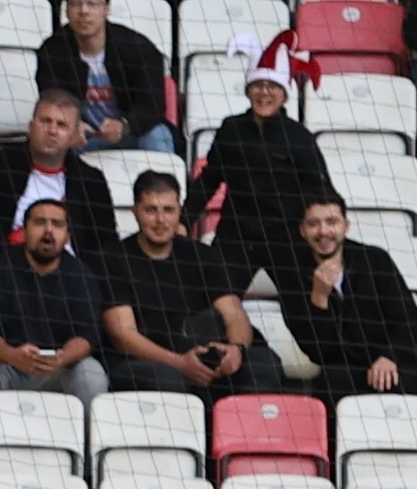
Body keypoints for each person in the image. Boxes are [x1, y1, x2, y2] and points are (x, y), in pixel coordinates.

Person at [100, 171, 284, 398]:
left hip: (204, 350)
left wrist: (235, 350)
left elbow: (234, 313)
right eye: (151, 210)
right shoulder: (112, 259)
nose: (161, 220)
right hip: (146, 360)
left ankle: (240, 434)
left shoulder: (202, 255)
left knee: (264, 363)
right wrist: (180, 363)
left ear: (179, 212)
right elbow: (123, 336)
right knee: (168, 379)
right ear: (135, 212)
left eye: (168, 210)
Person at [182, 31, 331, 294]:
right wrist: (184, 220)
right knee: (212, 299)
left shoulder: (299, 137)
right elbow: (209, 180)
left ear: (284, 94)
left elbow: (321, 190)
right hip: (235, 236)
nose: (264, 92)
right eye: (258, 85)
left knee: (306, 311)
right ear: (248, 89)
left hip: (287, 238)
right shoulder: (231, 129)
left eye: (272, 86)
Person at [0, 198, 109, 411]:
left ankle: (87, 444)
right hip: (7, 365)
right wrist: (13, 355)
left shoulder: (82, 276)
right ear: (24, 230)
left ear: (67, 235)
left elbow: (86, 336)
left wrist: (62, 357)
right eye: (40, 222)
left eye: (57, 224)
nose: (48, 231)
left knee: (91, 372)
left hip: (59, 371)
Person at [0, 89, 118, 280]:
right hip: (4, 275)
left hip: (69, 282)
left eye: (62, 125)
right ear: (31, 127)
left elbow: (104, 247)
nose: (52, 131)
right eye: (45, 121)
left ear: (75, 136)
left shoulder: (90, 181)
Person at [281, 192, 417, 402]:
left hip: (393, 364)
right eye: (313, 224)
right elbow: (317, 351)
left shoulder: (374, 260)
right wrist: (319, 298)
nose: (323, 231)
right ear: (302, 230)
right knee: (329, 382)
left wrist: (390, 356)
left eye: (331, 222)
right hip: (345, 373)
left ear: (346, 225)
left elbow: (408, 321)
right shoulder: (292, 277)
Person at [35, 0, 172, 154]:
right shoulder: (52, 51)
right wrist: (72, 124)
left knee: (157, 135)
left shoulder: (138, 48)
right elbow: (52, 101)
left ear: (107, 9)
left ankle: (160, 178)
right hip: (84, 137)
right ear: (66, 11)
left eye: (92, 4)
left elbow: (152, 106)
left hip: (131, 133)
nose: (83, 11)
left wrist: (123, 125)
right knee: (57, 136)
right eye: (75, 4)